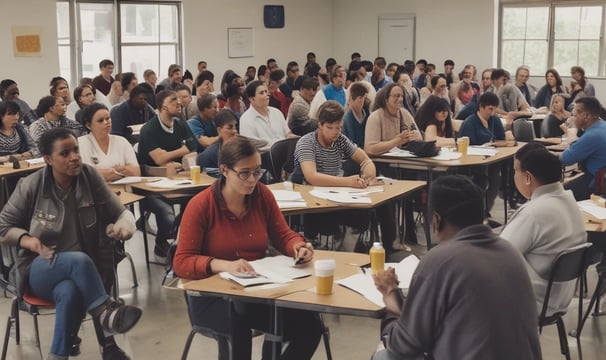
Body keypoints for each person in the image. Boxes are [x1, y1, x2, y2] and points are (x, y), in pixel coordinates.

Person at [173, 136, 322, 360]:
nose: (252, 179)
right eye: (244, 173)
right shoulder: (202, 205)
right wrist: (224, 265)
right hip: (212, 297)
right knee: (238, 324)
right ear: (224, 170)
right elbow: (181, 262)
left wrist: (297, 246)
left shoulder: (261, 195)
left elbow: (282, 234)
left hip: (256, 290)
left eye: (257, 171)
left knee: (309, 326)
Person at [0, 127, 143, 360]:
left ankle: (59, 355)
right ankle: (105, 316)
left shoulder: (89, 176)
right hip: (40, 267)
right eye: (65, 154)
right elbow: (2, 226)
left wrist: (122, 226)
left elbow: (119, 213)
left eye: (75, 150)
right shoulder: (31, 185)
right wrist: (28, 240)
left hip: (85, 271)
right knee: (79, 260)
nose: (74, 157)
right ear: (48, 159)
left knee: (70, 291)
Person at [372, 175, 541, 360]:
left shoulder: (439, 260)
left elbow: (402, 348)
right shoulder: (509, 251)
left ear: (436, 220)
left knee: (383, 354)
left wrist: (391, 304)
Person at [501, 143, 586, 315]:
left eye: (515, 171)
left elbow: (499, 255)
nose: (514, 177)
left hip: (533, 301)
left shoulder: (534, 212)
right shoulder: (568, 201)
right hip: (559, 297)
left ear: (527, 177)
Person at [290, 101, 383, 246]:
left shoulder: (340, 140)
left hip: (333, 192)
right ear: (319, 125)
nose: (335, 132)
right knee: (329, 217)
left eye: (339, 128)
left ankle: (349, 251)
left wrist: (368, 176)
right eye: (329, 127)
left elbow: (365, 159)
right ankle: (327, 245)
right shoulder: (306, 143)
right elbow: (312, 177)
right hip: (309, 196)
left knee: (361, 212)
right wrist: (348, 182)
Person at [137, 90, 197, 257]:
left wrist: (173, 158)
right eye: (173, 100)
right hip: (149, 185)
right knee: (167, 214)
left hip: (177, 180)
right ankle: (161, 241)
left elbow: (193, 148)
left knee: (196, 201)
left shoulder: (180, 124)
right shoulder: (149, 129)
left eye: (179, 99)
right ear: (163, 106)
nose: (178, 103)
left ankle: (181, 239)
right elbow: (159, 159)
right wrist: (181, 151)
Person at [78, 103, 140, 182]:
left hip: (126, 189)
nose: (106, 122)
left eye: (108, 118)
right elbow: (88, 177)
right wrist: (122, 168)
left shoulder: (122, 141)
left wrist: (107, 172)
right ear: (88, 125)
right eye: (100, 120)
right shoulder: (81, 143)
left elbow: (136, 172)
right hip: (97, 192)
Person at [560, 96, 606, 200]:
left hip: (597, 182)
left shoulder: (593, 135)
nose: (572, 118)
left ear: (585, 116)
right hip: (600, 175)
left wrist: (571, 132)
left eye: (574, 115)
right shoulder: (602, 126)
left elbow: (566, 159)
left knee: (558, 194)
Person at [239, 80, 289, 146]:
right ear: (252, 99)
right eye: (262, 93)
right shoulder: (246, 119)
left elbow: (288, 134)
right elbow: (251, 146)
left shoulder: (276, 112)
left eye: (266, 91)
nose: (267, 95)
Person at [197, 109, 238, 173]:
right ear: (219, 130)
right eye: (230, 128)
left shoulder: (244, 151)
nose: (234, 131)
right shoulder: (207, 157)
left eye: (236, 127)